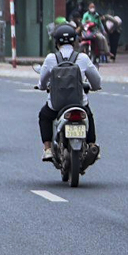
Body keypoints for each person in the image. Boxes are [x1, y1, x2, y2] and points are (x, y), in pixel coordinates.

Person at [36, 23, 102, 162]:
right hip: (78, 102)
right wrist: (95, 87)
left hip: (56, 105)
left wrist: (42, 87)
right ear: (75, 40)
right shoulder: (83, 58)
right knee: (88, 115)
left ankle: (47, 149)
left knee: (44, 116)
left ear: (56, 42)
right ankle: (91, 145)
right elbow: (96, 81)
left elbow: (42, 82)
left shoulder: (50, 59)